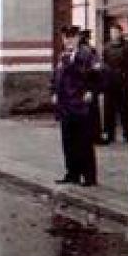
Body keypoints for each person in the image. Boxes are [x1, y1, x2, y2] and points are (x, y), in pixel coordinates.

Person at [52, 25, 100, 186]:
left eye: (71, 38)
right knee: (68, 142)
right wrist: (54, 92)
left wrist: (91, 91)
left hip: (80, 105)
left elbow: (98, 75)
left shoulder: (87, 54)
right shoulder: (63, 56)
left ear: (78, 38)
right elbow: (57, 77)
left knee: (84, 142)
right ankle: (72, 173)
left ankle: (88, 176)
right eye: (66, 38)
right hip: (65, 105)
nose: (68, 41)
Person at [101, 20, 128, 144]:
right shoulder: (106, 47)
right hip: (110, 82)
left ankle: (127, 133)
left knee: (124, 109)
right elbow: (104, 63)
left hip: (123, 81)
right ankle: (110, 134)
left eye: (116, 32)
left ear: (121, 33)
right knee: (109, 109)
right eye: (112, 32)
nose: (114, 34)